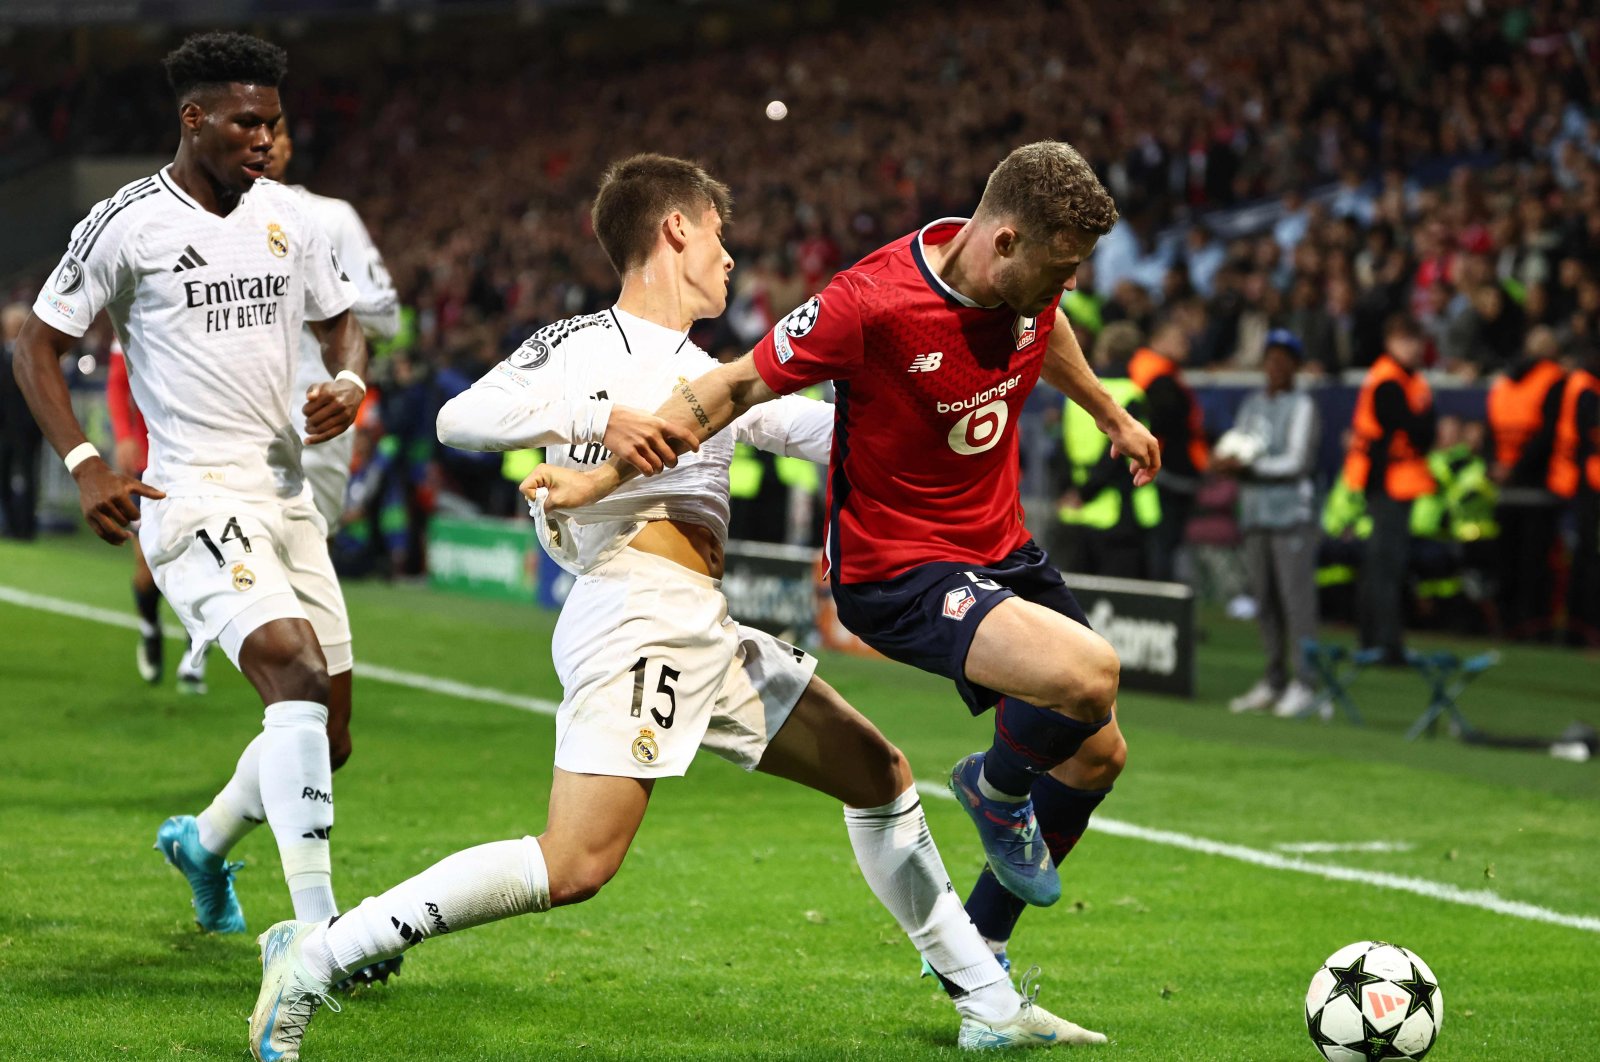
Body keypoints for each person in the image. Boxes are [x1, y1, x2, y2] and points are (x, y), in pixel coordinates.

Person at [249, 154, 1102, 1060]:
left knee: (879, 774)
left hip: (702, 625)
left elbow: (816, 431)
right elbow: (459, 418)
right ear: (676, 230)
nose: (731, 260)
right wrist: (598, 418)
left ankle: (987, 1002)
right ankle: (318, 956)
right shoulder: (584, 344)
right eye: (720, 237)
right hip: (632, 614)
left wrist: (919, 411)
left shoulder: (708, 368)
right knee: (575, 865)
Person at [530, 141, 1160, 982]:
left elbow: (1043, 327)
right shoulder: (869, 303)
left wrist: (1110, 413)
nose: (1071, 283)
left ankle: (982, 956)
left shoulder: (1025, 285)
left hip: (997, 544)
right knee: (1089, 674)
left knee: (1096, 753)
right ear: (1004, 240)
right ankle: (996, 789)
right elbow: (733, 388)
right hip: (896, 568)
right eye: (1065, 265)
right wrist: (603, 474)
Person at [13, 32, 367, 945]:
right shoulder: (128, 222)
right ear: (193, 117)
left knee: (328, 737)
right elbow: (36, 346)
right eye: (247, 122)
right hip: (194, 496)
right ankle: (320, 937)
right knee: (290, 668)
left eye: (274, 124)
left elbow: (344, 325)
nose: (264, 139)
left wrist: (349, 383)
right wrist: (87, 464)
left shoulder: (293, 218)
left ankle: (203, 846)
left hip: (287, 493)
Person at [263, 112, 401, 531]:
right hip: (232, 423)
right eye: (252, 127)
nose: (265, 142)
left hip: (313, 423)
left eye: (277, 132)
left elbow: (387, 316)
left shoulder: (330, 218)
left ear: (289, 146)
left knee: (303, 569)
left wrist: (313, 294)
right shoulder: (203, 221)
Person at [1220, 330, 1322, 717]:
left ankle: (1306, 683)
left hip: (1290, 516)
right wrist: (1224, 459)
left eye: (1284, 359)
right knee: (1265, 602)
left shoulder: (1302, 406)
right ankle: (1275, 677)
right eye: (1271, 358)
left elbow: (1297, 462)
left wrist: (1248, 467)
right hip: (1257, 514)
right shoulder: (1251, 404)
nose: (1275, 366)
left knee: (1296, 604)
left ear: (1295, 366)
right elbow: (1237, 443)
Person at [107, 337, 210, 692]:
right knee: (148, 567)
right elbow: (118, 380)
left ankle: (195, 653)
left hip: (203, 461)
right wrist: (122, 435)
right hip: (150, 464)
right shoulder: (137, 304)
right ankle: (150, 626)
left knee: (204, 560)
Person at [1342, 315, 1436, 663]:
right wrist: (1423, 418)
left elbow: (1424, 428)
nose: (1413, 348)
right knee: (1385, 567)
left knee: (1382, 566)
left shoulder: (1405, 379)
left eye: (1416, 341)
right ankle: (1384, 644)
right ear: (1392, 341)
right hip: (1387, 483)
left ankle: (1374, 641)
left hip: (1395, 483)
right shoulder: (1390, 381)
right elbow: (1414, 427)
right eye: (1406, 340)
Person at [1055, 320, 1160, 578]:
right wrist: (1087, 492)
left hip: (1078, 510)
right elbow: (1117, 455)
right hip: (1118, 511)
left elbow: (1062, 450)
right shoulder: (1131, 394)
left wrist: (1071, 491)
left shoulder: (1079, 393)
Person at [1486, 326, 1566, 640]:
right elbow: (1548, 433)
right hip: (1537, 484)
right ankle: (1533, 626)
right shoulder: (1555, 379)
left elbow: (1492, 430)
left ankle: (1507, 625)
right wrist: (1516, 468)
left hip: (1507, 484)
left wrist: (1500, 466)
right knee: (1534, 562)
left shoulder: (1504, 382)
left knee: (1507, 559)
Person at [1129, 318, 1209, 581]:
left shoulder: (1149, 371)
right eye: (1179, 339)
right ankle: (1163, 609)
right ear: (1158, 341)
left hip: (1149, 469)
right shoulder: (1159, 378)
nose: (1185, 345)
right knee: (1163, 545)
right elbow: (1165, 424)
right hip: (1162, 473)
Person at [1549, 346, 1600, 645]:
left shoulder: (1582, 384)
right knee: (1586, 556)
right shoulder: (1586, 388)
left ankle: (1578, 626)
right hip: (1587, 481)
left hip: (1580, 479)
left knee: (1584, 555)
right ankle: (1583, 626)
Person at [0, 302, 45, 540]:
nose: (11, 328)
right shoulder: (2, 354)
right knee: (3, 477)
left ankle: (26, 528)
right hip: (4, 429)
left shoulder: (33, 355)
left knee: (28, 478)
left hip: (27, 430)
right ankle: (9, 524)